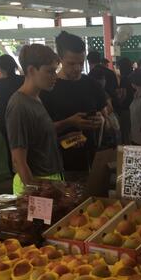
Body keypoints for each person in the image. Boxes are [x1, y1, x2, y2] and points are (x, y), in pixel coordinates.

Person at [40, 31, 105, 177]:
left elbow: (104, 114)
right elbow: (40, 131)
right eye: (71, 63)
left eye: (81, 63)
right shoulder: (48, 89)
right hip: (59, 163)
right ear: (59, 59)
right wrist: (69, 123)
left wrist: (100, 120)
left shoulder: (92, 84)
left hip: (93, 158)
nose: (77, 68)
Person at [5, 44, 64, 195]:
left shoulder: (35, 98)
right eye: (49, 71)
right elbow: (18, 160)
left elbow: (37, 137)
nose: (54, 76)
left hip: (48, 181)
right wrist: (34, 193)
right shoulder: (19, 105)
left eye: (55, 71)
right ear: (31, 70)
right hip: (36, 184)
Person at [0, 54, 25, 174]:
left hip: (5, 122)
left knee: (11, 149)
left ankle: (15, 176)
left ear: (0, 68)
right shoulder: (23, 80)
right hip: (23, 119)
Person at [116, 57, 135, 144]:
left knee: (126, 132)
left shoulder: (124, 78)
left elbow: (123, 95)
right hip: (134, 107)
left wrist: (118, 102)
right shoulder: (134, 75)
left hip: (126, 108)